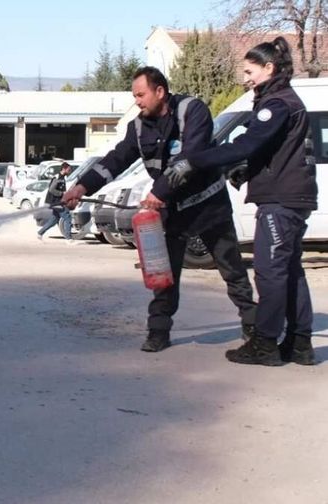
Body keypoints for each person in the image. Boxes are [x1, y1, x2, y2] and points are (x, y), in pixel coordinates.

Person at [62, 66, 257, 353]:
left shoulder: (193, 112)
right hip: (171, 212)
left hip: (209, 207)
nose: (137, 101)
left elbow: (190, 159)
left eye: (140, 95)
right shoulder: (138, 127)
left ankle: (253, 328)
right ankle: (158, 332)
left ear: (160, 92)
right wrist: (82, 187)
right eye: (134, 96)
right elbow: (116, 160)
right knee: (163, 275)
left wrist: (158, 191)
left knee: (232, 271)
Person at [163, 37, 317, 366]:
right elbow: (271, 150)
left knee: (269, 271)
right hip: (293, 196)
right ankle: (300, 343)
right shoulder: (284, 101)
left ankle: (265, 344)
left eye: (249, 71)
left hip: (281, 199)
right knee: (290, 269)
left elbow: (248, 142)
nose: (245, 78)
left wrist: (197, 160)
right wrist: (246, 169)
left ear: (269, 68)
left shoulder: (276, 104)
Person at [37, 162, 76, 244]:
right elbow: (51, 190)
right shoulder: (57, 177)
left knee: (54, 220)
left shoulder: (62, 178)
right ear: (64, 169)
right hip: (55, 202)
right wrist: (62, 194)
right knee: (67, 217)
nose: (70, 171)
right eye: (69, 170)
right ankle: (69, 239)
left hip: (57, 202)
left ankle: (40, 233)